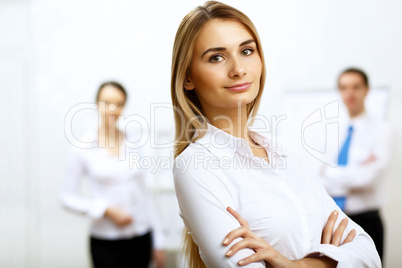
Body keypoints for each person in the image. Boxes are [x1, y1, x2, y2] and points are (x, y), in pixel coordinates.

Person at [171, 1, 381, 267]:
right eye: (217, 57)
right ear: (188, 77)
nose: (238, 69)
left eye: (247, 51)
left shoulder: (282, 153)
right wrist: (330, 259)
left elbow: (368, 253)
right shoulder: (195, 166)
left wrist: (297, 265)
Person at [60, 81, 166, 268]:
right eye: (106, 102)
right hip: (105, 240)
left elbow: (145, 194)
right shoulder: (83, 147)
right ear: (96, 104)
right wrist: (105, 209)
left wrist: (158, 242)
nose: (112, 109)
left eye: (119, 104)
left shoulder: (134, 143)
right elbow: (66, 198)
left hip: (141, 236)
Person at [319, 68, 394, 261]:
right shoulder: (330, 130)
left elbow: (367, 180)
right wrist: (354, 172)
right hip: (332, 221)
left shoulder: (383, 130)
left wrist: (331, 173)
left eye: (355, 87)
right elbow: (317, 179)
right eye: (344, 88)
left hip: (367, 221)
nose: (349, 93)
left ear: (366, 90)